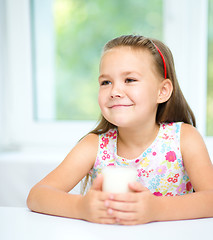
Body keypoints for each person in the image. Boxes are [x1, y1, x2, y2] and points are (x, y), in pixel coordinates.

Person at [27, 35, 213, 225]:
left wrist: (157, 209)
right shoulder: (94, 146)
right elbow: (37, 195)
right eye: (106, 82)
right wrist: (81, 207)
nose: (115, 91)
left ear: (162, 91)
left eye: (130, 79)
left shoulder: (184, 138)